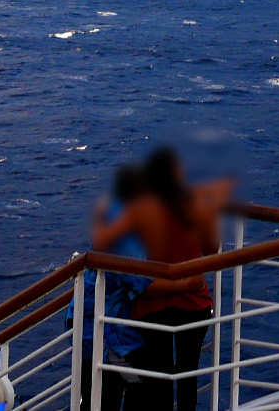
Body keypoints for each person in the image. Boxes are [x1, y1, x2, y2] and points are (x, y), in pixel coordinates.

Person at [94, 147, 230, 411]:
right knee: (188, 375)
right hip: (193, 302)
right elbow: (213, 249)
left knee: (161, 379)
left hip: (152, 306)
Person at [72, 164, 151, 411]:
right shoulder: (125, 232)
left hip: (87, 327)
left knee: (95, 393)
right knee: (145, 385)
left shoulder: (111, 216)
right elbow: (142, 278)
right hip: (111, 334)